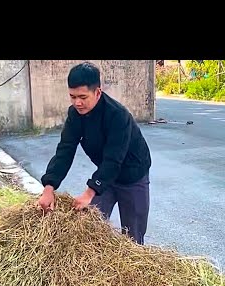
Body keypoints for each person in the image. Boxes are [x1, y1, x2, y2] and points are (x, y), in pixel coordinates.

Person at [38, 62, 152, 245]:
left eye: (83, 97)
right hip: (106, 176)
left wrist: (90, 191)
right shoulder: (75, 114)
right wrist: (49, 187)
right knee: (89, 227)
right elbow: (65, 150)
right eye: (72, 96)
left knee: (133, 238)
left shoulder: (117, 115)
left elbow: (114, 159)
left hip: (132, 175)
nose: (77, 103)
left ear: (97, 92)